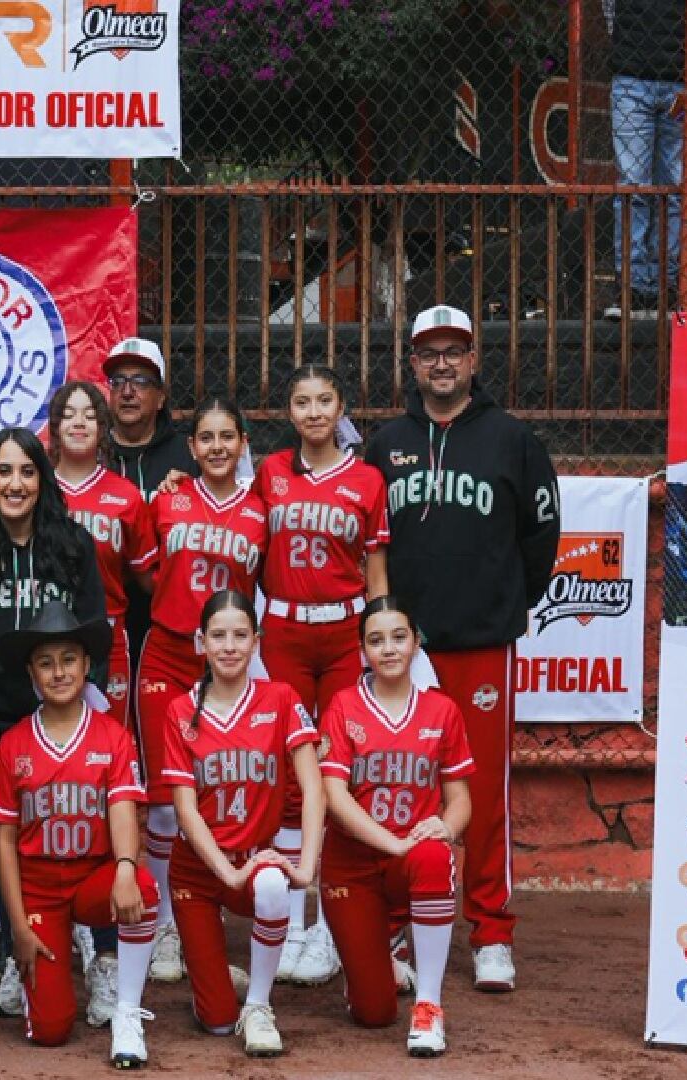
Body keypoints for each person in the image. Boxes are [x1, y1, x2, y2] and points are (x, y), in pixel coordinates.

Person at [364, 304, 559, 993]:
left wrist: (503, 602)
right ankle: (398, 921)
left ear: (475, 360)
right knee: (396, 784)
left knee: (480, 788)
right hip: (401, 647)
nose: (441, 362)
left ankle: (492, 931)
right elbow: (369, 540)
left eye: (455, 350)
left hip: (481, 642)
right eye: (428, 352)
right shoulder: (385, 444)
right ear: (411, 363)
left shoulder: (512, 440)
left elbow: (541, 541)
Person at [0, 428, 106, 1012]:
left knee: (77, 828)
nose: (15, 484)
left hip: (58, 713)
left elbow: (95, 631)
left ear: (43, 478)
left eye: (26, 472)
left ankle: (96, 945)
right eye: (3, 472)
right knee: (10, 839)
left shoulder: (74, 545)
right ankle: (14, 952)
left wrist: (97, 699)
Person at [254, 364, 389, 987]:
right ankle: (291, 923)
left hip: (342, 633)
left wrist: (379, 638)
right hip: (282, 630)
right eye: (302, 400)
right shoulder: (271, 472)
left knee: (338, 773)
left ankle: (334, 926)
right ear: (289, 409)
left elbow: (377, 571)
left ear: (341, 409)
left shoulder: (366, 480)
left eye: (324, 400)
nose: (313, 411)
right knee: (288, 773)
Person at [0, 601, 160, 1067]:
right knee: (50, 1031)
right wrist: (18, 928)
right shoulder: (12, 744)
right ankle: (39, 974)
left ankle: (126, 1009)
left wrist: (125, 865)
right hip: (39, 890)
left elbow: (123, 811)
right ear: (31, 673)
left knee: (143, 887)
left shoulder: (112, 736)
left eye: (68, 659)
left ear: (87, 665)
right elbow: (3, 840)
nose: (58, 672)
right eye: (46, 662)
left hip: (90, 879)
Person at [153, 591, 323, 1057]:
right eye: (218, 635)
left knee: (273, 884)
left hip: (256, 858)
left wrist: (305, 869)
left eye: (240, 635)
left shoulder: (281, 699)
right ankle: (216, 978)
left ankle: (259, 1005)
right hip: (197, 871)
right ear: (199, 643)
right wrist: (227, 873)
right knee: (215, 1023)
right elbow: (184, 811)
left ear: (256, 643)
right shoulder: (178, 711)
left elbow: (312, 787)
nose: (229, 646)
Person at [136, 398, 267, 982]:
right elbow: (144, 570)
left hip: (226, 662)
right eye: (205, 438)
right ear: (190, 447)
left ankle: (202, 923)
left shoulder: (262, 509)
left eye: (226, 437)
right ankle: (166, 926)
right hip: (168, 648)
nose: (216, 447)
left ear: (243, 444)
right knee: (165, 801)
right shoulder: (167, 498)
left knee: (217, 793)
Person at [317, 597, 474, 1057]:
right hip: (353, 864)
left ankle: (428, 1004)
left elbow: (460, 800)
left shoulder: (441, 710)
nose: (388, 649)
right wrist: (392, 842)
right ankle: (381, 958)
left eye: (399, 637)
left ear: (416, 643)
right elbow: (334, 795)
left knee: (434, 853)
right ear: (363, 650)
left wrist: (445, 828)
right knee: (372, 1013)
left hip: (410, 860)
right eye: (376, 639)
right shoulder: (343, 706)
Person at [603, 0, 687, 320]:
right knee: (644, 185)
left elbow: (612, 11)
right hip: (666, 77)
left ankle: (661, 285)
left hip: (661, 79)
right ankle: (643, 286)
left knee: (657, 186)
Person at [48, 380, 156, 723]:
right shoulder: (36, 489)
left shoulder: (126, 496)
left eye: (90, 415)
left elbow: (148, 580)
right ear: (54, 427)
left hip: (107, 636)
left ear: (103, 427)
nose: (79, 423)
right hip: (45, 634)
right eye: (69, 415)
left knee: (111, 742)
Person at [104, 338, 196, 496]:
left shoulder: (188, 454)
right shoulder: (93, 453)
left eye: (140, 381)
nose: (127, 392)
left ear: (161, 398)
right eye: (118, 382)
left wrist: (192, 491)